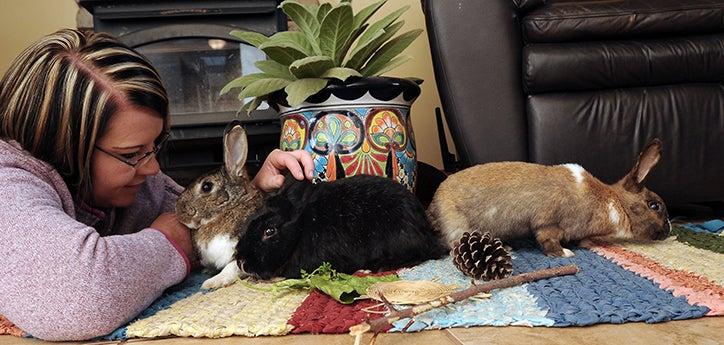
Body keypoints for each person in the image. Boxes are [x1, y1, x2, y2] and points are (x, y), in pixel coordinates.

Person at [0, 28, 313, 341]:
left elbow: (202, 223)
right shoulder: (8, 186)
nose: (153, 168)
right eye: (132, 154)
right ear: (64, 148)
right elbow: (76, 294)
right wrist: (170, 238)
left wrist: (250, 192)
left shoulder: (139, 182)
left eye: (155, 146)